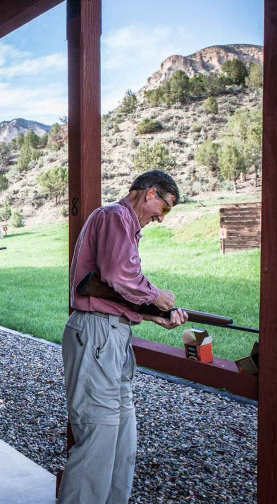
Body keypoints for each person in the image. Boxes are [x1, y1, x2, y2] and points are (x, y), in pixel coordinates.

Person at [58, 170, 188, 504]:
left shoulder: (123, 225)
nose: (161, 217)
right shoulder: (115, 216)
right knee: (98, 438)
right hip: (98, 332)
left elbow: (112, 291)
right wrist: (156, 295)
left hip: (111, 334)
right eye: (165, 207)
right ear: (150, 193)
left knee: (120, 438)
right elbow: (118, 275)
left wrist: (155, 315)